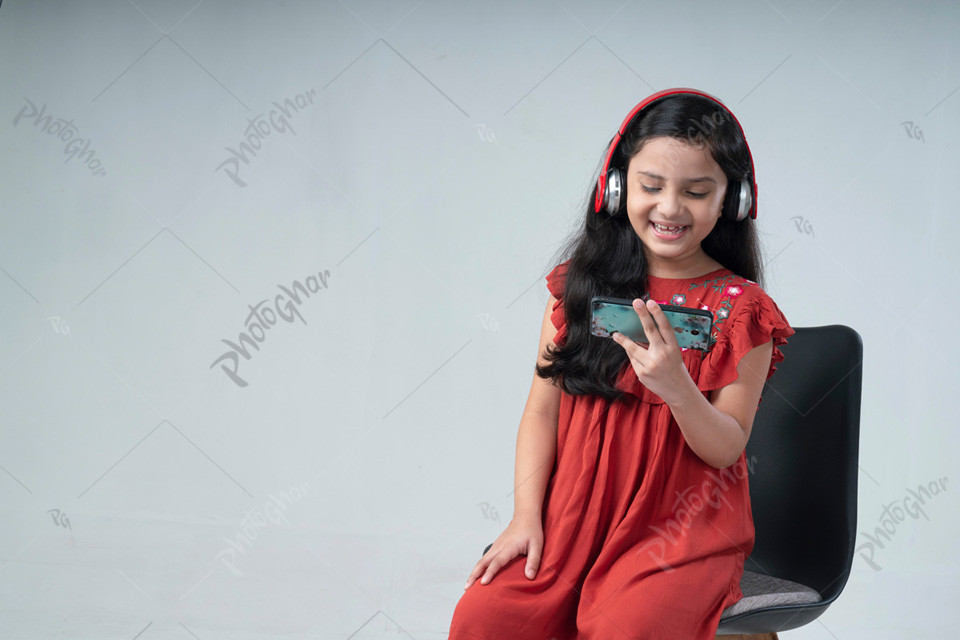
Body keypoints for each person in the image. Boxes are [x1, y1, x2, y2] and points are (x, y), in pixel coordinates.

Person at [447, 88, 794, 640]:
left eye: (697, 191)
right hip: (570, 523)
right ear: (616, 187)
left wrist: (677, 388)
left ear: (733, 198)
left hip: (678, 532)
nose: (671, 208)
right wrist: (524, 516)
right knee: (487, 619)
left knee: (619, 630)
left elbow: (727, 446)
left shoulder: (744, 312)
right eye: (650, 186)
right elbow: (541, 414)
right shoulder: (577, 290)